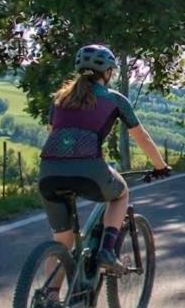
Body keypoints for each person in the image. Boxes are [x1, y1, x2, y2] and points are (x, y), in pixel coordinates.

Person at [39, 44, 170, 273]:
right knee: (121, 193)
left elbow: (53, 134)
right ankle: (107, 251)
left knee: (62, 242)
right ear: (108, 72)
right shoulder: (114, 99)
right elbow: (142, 137)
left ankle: (49, 299)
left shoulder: (59, 99)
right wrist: (160, 166)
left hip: (49, 173)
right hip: (89, 170)